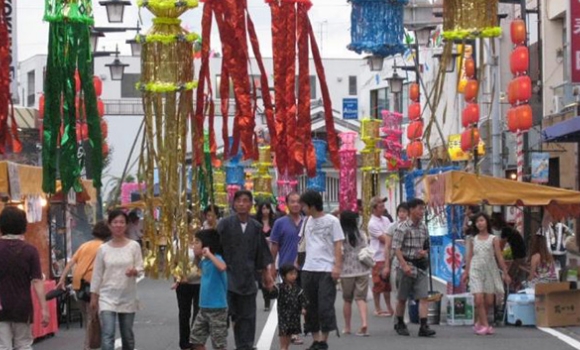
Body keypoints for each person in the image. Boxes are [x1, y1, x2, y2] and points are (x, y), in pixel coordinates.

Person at [217, 190, 274, 350]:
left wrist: (267, 274)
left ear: (251, 205)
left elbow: (262, 253)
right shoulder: (225, 224)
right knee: (225, 315)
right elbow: (215, 249)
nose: (241, 204)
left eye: (245, 201)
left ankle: (245, 346)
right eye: (238, 201)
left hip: (249, 277)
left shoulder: (256, 227)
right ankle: (222, 344)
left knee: (247, 317)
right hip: (227, 277)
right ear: (234, 204)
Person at [90, 210, 144, 350]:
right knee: (107, 335)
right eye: (115, 222)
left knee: (127, 336)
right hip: (107, 296)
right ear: (109, 225)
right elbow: (97, 274)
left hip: (128, 296)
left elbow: (141, 268)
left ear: (126, 225)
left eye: (121, 222)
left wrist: (135, 271)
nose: (118, 225)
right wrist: (94, 297)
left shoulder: (134, 246)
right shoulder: (103, 249)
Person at [299, 190, 344, 350]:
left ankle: (323, 341)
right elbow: (302, 245)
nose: (302, 208)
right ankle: (316, 339)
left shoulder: (332, 221)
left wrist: (337, 266)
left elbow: (338, 244)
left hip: (326, 269)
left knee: (325, 305)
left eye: (304, 205)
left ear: (312, 205)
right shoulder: (306, 221)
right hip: (308, 269)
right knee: (310, 307)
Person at [56, 221, 112, 350]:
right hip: (93, 286)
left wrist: (62, 279)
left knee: (88, 318)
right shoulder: (105, 247)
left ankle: (92, 344)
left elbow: (71, 263)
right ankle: (90, 346)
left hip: (78, 285)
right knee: (94, 318)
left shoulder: (84, 245)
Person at [0, 207, 49, 349]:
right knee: (23, 345)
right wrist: (44, 309)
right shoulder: (30, 251)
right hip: (22, 306)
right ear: (23, 226)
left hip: (1, 306)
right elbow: (37, 281)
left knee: (2, 346)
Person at [392, 198, 435, 337]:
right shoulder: (402, 227)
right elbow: (396, 248)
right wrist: (404, 265)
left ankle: (424, 325)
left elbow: (427, 244)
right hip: (406, 265)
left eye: (423, 209)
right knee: (402, 298)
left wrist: (425, 252)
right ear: (411, 210)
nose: (422, 212)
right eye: (419, 209)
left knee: (423, 297)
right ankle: (399, 322)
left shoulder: (423, 227)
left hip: (420, 265)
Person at [462, 213, 510, 335]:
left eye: (482, 220)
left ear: (487, 222)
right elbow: (468, 257)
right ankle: (486, 326)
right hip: (476, 269)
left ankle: (479, 322)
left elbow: (499, 256)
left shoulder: (493, 239)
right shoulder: (472, 239)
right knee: (478, 299)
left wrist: (505, 273)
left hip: (490, 269)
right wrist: (466, 272)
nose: (480, 223)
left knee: (489, 300)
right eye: (477, 221)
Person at [270, 191, 304, 345]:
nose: (296, 204)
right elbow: (275, 245)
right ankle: (291, 332)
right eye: (292, 201)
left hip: (305, 267)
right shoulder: (280, 223)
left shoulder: (307, 221)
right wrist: (272, 265)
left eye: (298, 201)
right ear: (287, 204)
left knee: (301, 301)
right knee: (288, 302)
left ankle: (299, 330)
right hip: (286, 268)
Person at [189, 229, 228, 350]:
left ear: (206, 245)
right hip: (203, 308)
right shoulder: (204, 261)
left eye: (197, 242)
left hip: (217, 309)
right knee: (196, 339)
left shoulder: (216, 258)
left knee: (219, 344)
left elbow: (222, 267)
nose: (194, 245)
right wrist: (197, 255)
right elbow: (196, 268)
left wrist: (209, 254)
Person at [339, 210, 370, 337]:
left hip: (347, 271)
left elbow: (339, 253)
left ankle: (347, 327)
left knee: (347, 300)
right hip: (362, 269)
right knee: (361, 298)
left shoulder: (340, 236)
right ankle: (364, 323)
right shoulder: (362, 234)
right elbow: (366, 249)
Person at [171, 232, 202, 350]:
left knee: (198, 313)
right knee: (184, 313)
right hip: (183, 284)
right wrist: (178, 278)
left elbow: (205, 260)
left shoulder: (200, 242)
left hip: (199, 283)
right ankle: (184, 342)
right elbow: (173, 264)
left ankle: (195, 340)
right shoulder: (177, 244)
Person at [367, 196, 393, 317]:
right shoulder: (372, 223)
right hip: (377, 256)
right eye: (380, 206)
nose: (383, 208)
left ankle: (388, 307)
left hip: (387, 255)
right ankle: (377, 308)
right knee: (378, 283)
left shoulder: (386, 220)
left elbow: (390, 235)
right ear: (374, 208)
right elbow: (384, 239)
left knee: (387, 284)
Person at [277, 264, 308, 350]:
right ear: (283, 276)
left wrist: (303, 308)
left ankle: (286, 347)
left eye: (295, 273)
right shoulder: (280, 288)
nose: (294, 276)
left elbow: (303, 300)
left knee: (289, 335)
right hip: (283, 317)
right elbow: (271, 292)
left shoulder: (297, 289)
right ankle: (283, 348)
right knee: (283, 333)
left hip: (294, 317)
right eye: (291, 274)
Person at [381, 202, 409, 288]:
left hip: (410, 259)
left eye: (404, 211)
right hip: (396, 260)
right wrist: (386, 265)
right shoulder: (392, 226)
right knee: (397, 286)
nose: (401, 214)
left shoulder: (412, 226)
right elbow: (387, 246)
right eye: (400, 211)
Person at [255, 201, 276, 311]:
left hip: (272, 249)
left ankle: (272, 292)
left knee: (272, 274)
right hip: (261, 251)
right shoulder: (256, 222)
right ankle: (266, 299)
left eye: (267, 208)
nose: (265, 211)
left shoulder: (274, 221)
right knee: (263, 276)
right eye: (263, 208)